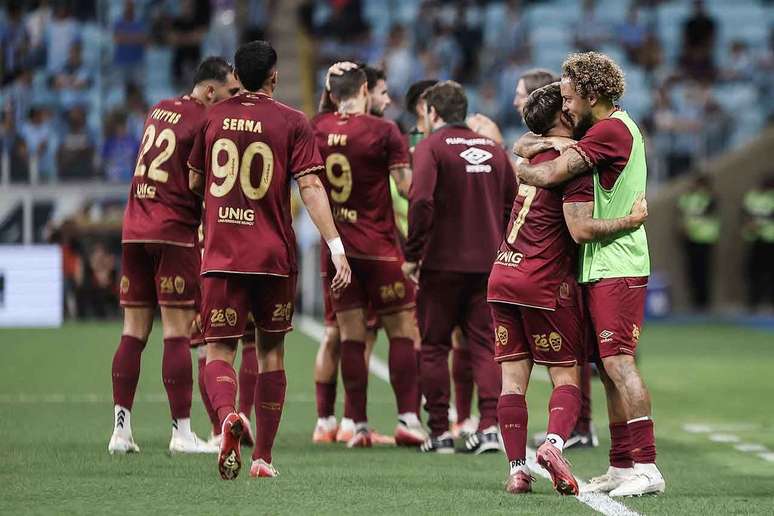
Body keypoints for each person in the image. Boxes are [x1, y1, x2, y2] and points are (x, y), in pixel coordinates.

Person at [188, 40, 351, 480]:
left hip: (222, 254)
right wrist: (336, 246)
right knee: (272, 350)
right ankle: (262, 458)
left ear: (236, 78)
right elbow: (312, 189)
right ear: (274, 77)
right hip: (272, 256)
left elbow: (193, 182)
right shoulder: (293, 122)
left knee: (217, 348)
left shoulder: (213, 118)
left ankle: (226, 416)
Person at [514, 51, 665, 497]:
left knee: (620, 362)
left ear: (591, 94)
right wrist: (537, 146)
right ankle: (622, 465)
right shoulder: (606, 129)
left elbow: (553, 172)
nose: (565, 107)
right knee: (607, 366)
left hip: (619, 262)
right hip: (603, 263)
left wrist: (521, 166)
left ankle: (648, 465)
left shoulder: (610, 132)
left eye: (569, 97)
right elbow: (543, 143)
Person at [108, 56, 241, 456]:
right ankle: (181, 431)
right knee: (176, 333)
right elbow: (205, 184)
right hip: (173, 232)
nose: (235, 100)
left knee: (133, 331)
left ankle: (121, 429)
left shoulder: (159, 108)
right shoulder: (206, 122)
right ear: (211, 91)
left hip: (134, 228)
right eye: (232, 93)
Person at [311, 66, 425, 448]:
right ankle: (408, 418)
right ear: (363, 88)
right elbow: (407, 187)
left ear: (330, 91)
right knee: (402, 332)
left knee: (351, 338)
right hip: (379, 249)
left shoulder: (318, 127)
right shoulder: (384, 131)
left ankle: (356, 424)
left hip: (339, 251)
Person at [404, 81, 516, 454]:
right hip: (488, 265)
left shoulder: (430, 147)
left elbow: (420, 201)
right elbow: (512, 206)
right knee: (485, 345)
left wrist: (413, 253)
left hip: (440, 264)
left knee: (435, 346)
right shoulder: (495, 150)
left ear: (433, 113)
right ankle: (488, 427)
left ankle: (439, 432)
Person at [677, 174, 719, 310]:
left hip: (706, 239)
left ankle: (704, 302)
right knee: (692, 271)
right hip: (690, 238)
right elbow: (681, 212)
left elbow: (709, 211)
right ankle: (695, 302)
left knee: (704, 271)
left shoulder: (710, 197)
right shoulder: (688, 197)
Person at [742, 176, 774, 311]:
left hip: (770, 240)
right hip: (754, 238)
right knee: (753, 272)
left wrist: (759, 223)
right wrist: (750, 224)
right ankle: (753, 302)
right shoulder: (752, 196)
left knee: (771, 272)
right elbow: (744, 213)